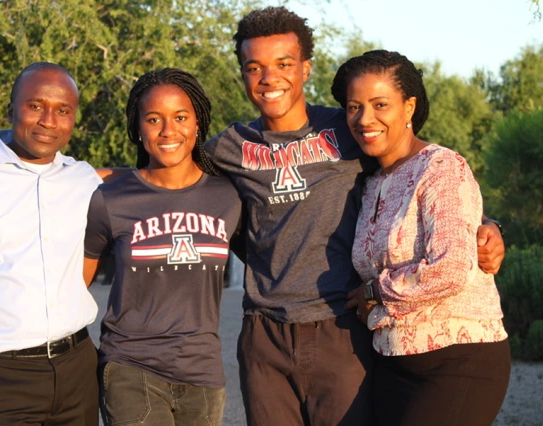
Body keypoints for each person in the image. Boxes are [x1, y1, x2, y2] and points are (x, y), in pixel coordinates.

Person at [204, 6, 506, 426]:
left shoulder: (349, 130)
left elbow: (429, 178)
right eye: (254, 67)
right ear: (242, 73)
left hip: (342, 327)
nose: (269, 78)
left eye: (284, 64)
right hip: (265, 330)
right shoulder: (230, 146)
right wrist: (95, 177)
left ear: (305, 68)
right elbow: (168, 177)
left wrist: (488, 226)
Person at [333, 50, 511, 426]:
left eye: (380, 104)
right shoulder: (371, 183)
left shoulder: (442, 167)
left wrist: (374, 293)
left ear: (409, 106)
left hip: (458, 361)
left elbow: (450, 268)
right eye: (354, 107)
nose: (365, 119)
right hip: (390, 364)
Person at [83, 68, 242, 426]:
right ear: (138, 129)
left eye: (180, 117)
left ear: (198, 123)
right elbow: (76, 287)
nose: (168, 130)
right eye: (154, 119)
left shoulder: (229, 196)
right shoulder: (109, 200)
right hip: (130, 368)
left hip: (203, 374)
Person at [0, 63, 101, 424]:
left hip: (78, 369)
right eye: (36, 106)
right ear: (12, 109)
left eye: (63, 111)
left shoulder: (83, 178)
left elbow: (141, 182)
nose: (49, 120)